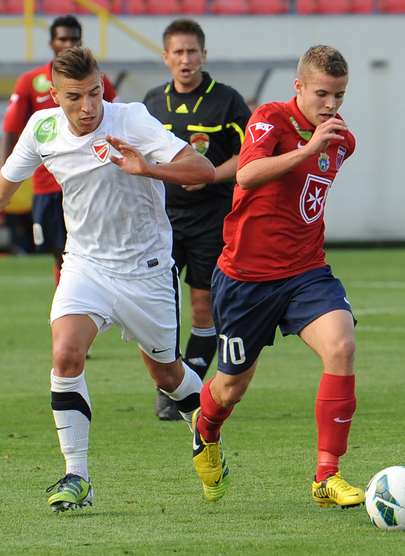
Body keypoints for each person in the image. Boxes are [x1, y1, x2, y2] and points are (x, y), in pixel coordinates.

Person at [0, 47, 216, 514]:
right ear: (54, 95)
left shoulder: (131, 120)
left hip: (145, 270)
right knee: (65, 355)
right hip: (86, 264)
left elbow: (203, 169)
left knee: (167, 374)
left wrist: (146, 166)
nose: (88, 107)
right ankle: (77, 476)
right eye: (74, 97)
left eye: (94, 93)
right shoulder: (42, 128)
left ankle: (207, 434)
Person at [190, 45, 364, 508]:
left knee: (342, 346)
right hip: (246, 279)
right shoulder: (270, 118)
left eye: (340, 96)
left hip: (306, 271)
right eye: (322, 94)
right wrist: (308, 149)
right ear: (299, 86)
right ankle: (206, 430)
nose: (331, 105)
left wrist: (318, 147)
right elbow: (246, 175)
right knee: (231, 388)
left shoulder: (342, 141)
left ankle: (327, 475)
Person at [143, 18, 252, 421]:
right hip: (162, 221)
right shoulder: (152, 103)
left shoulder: (226, 100)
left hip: (212, 219)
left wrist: (210, 174)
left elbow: (250, 154)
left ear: (204, 55)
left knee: (202, 307)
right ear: (166, 57)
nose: (185, 59)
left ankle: (184, 386)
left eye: (192, 52)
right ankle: (171, 382)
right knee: (159, 307)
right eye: (178, 52)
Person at [0, 15, 119, 288]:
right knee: (60, 255)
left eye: (74, 39)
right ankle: (69, 305)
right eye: (62, 39)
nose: (68, 44)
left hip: (91, 180)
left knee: (94, 253)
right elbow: (10, 131)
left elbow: (118, 120)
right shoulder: (30, 81)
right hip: (48, 185)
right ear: (51, 43)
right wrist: (4, 179)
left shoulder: (98, 81)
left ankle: (91, 303)